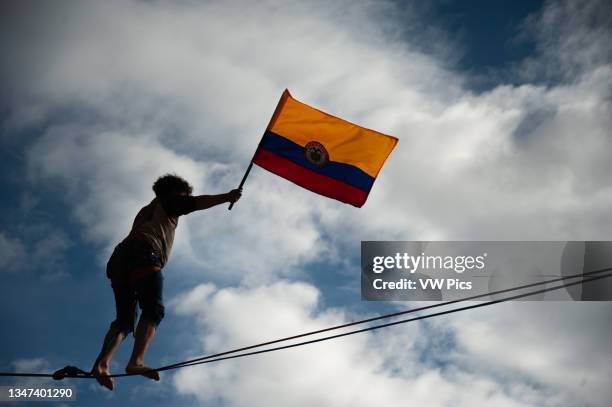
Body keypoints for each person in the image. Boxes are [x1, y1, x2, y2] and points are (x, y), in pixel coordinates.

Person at [90, 174, 242, 390]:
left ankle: (101, 365)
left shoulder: (146, 210)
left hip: (120, 260)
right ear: (177, 192)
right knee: (153, 309)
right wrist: (227, 196)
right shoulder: (169, 202)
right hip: (143, 253)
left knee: (124, 320)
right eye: (184, 195)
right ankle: (136, 362)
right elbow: (195, 203)